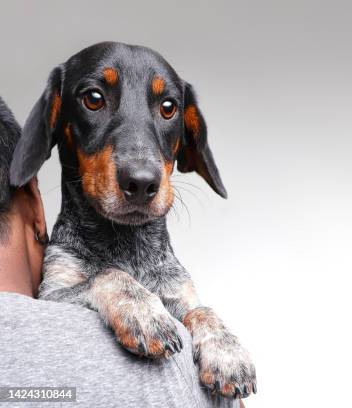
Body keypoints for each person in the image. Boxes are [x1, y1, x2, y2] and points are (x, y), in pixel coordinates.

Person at [0, 96, 241, 408]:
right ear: (36, 204)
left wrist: (203, 320)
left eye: (167, 109)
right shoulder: (177, 373)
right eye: (95, 100)